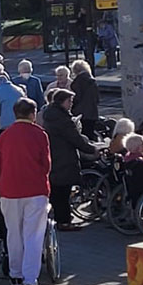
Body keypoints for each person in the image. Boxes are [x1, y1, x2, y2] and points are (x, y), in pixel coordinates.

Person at [0, 98, 51, 285]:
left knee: (13, 233)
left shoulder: (5, 135)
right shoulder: (40, 134)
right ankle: (30, 280)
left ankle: (15, 274)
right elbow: (46, 164)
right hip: (35, 189)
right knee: (33, 235)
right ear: (33, 114)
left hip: (9, 190)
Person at [41, 88, 96, 231]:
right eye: (69, 101)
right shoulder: (63, 119)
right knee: (63, 192)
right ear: (62, 102)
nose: (71, 104)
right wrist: (92, 149)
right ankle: (64, 221)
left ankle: (60, 218)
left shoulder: (50, 115)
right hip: (64, 158)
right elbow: (75, 139)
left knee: (57, 190)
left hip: (54, 156)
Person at [69, 59, 101, 141]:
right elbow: (97, 99)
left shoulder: (77, 82)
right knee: (90, 135)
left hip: (80, 113)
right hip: (92, 113)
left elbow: (76, 98)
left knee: (82, 137)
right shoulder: (93, 81)